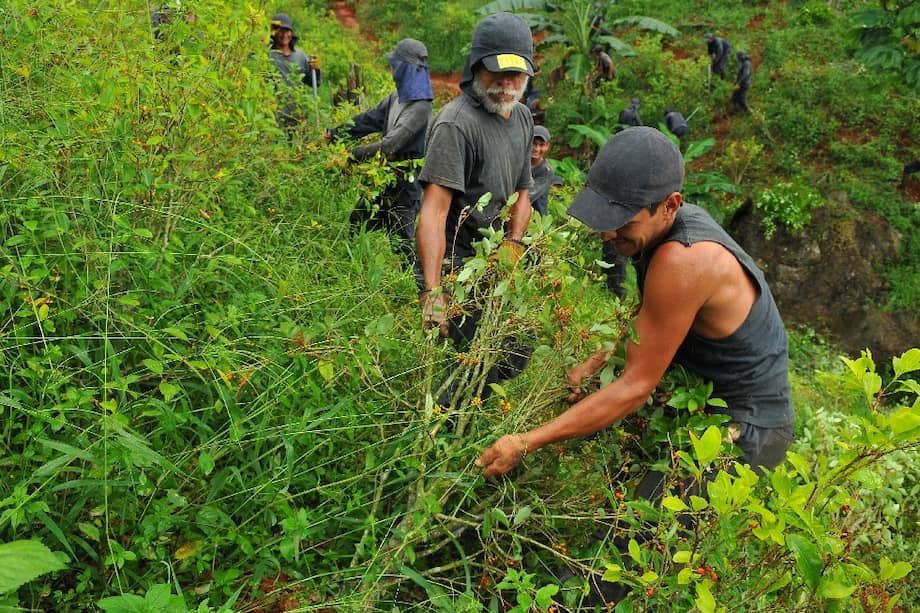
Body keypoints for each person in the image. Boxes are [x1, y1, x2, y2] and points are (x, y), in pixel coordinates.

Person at [476, 128, 795, 597]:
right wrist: (598, 359)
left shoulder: (685, 260)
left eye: (622, 220)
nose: (607, 232)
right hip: (708, 409)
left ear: (670, 205)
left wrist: (526, 440)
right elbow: (654, 326)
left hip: (748, 431)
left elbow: (633, 388)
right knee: (623, 532)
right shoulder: (668, 232)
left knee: (620, 564)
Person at [416, 12, 536, 405]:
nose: (506, 85)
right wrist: (434, 291)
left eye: (516, 75)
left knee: (517, 347)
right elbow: (433, 212)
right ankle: (444, 439)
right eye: (497, 73)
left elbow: (523, 193)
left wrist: (515, 243)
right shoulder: (456, 125)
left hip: (496, 262)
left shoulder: (521, 117)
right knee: (461, 369)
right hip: (458, 266)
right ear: (476, 68)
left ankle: (474, 418)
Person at [327, 39, 434, 266]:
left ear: (406, 69)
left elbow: (389, 146)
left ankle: (419, 288)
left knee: (402, 242)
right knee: (358, 219)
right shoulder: (395, 98)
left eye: (395, 66)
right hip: (384, 177)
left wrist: (350, 156)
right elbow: (369, 120)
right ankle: (349, 268)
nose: (392, 70)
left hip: (406, 183)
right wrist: (336, 134)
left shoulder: (421, 107)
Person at [268, 13, 321, 131]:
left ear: (291, 33)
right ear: (274, 32)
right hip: (274, 116)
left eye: (287, 31)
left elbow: (314, 83)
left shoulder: (300, 56)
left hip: (297, 114)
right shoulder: (267, 55)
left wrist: (316, 70)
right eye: (280, 31)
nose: (284, 35)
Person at [529, 126, 564, 217]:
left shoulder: (546, 171)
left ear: (547, 146)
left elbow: (529, 195)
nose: (536, 149)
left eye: (541, 145)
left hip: (536, 219)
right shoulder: (520, 163)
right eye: (534, 143)